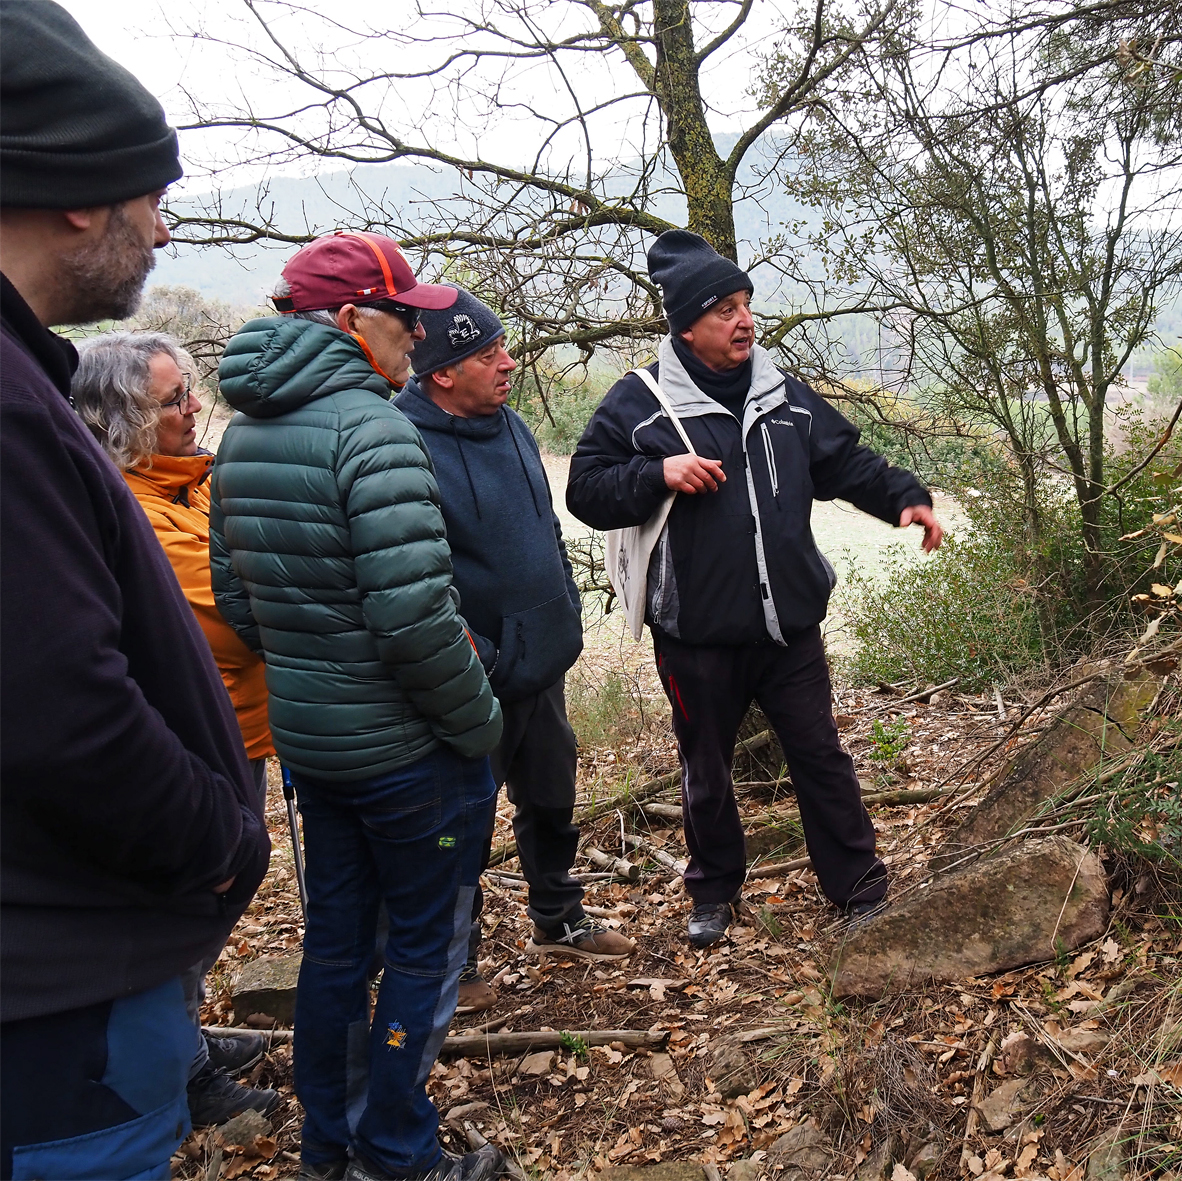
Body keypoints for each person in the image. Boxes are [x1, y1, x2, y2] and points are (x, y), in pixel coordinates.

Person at [0, 4, 272, 1178]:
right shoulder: (12, 412)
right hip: (61, 990)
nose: (163, 227)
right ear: (77, 191)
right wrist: (216, 840)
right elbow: (60, 706)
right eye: (149, 195)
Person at [210, 230, 504, 1181]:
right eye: (404, 319)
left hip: (313, 749)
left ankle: (328, 1145)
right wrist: (476, 724)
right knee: (424, 949)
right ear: (349, 321)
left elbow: (242, 602)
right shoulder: (374, 430)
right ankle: (396, 1154)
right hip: (410, 753)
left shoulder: (245, 431)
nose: (417, 340)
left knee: (337, 945)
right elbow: (416, 614)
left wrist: (316, 665)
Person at [567, 229, 945, 949]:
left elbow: (846, 463)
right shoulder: (638, 404)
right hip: (695, 635)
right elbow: (586, 489)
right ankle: (712, 894)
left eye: (745, 304)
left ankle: (858, 887)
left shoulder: (784, 397)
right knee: (704, 769)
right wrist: (657, 474)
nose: (743, 320)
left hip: (789, 628)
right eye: (723, 309)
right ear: (684, 325)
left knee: (821, 755)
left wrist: (906, 498)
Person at [394, 288, 635, 1008]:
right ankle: (453, 966)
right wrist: (487, 660)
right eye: (486, 354)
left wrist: (561, 609)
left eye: (502, 346)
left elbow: (545, 534)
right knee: (459, 825)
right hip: (471, 683)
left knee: (552, 801)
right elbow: (419, 580)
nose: (507, 363)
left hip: (543, 664)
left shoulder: (513, 426)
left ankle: (558, 920)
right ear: (440, 372)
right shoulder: (402, 444)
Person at [72, 331, 283, 1126]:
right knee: (190, 905)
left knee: (212, 901)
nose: (193, 408)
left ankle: (184, 1036)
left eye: (188, 390)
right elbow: (235, 620)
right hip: (193, 745)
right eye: (171, 400)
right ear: (118, 417)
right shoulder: (133, 505)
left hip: (236, 732)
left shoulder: (186, 483)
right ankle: (180, 1072)